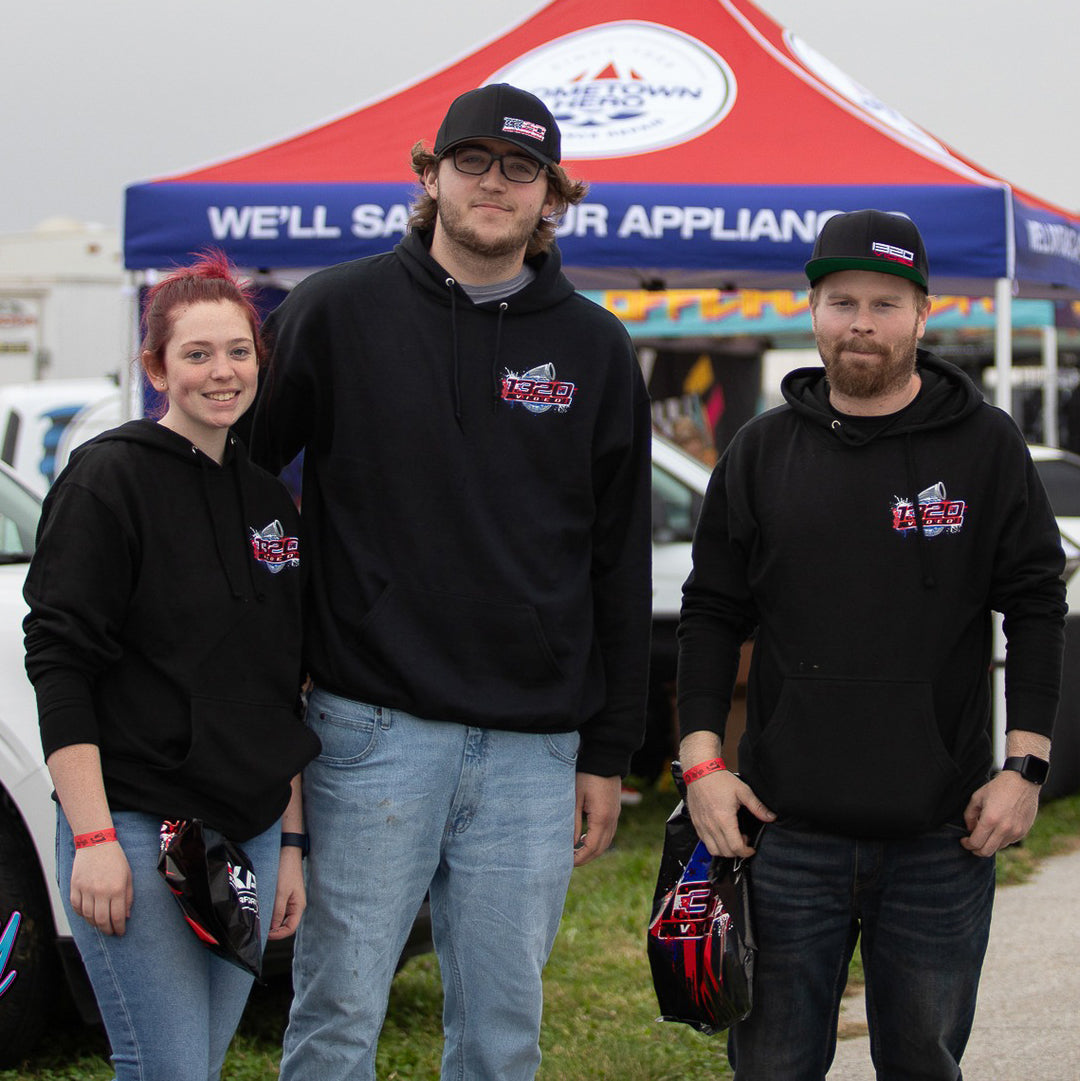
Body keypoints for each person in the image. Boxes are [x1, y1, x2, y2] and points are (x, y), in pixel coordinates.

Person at [244, 83, 652, 1081]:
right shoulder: (335, 311)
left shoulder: (595, 346)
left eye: (521, 169)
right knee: (339, 1004)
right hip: (371, 726)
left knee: (503, 1028)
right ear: (430, 175)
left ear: (551, 194)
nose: (494, 184)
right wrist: (274, 643)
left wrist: (608, 748)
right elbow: (242, 482)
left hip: (532, 746)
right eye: (472, 161)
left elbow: (618, 558)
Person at [676, 209, 1067, 1080]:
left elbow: (1037, 604)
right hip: (784, 835)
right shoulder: (759, 452)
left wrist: (1025, 767)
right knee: (772, 1065)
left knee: (923, 1063)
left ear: (923, 313)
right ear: (811, 309)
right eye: (842, 300)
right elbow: (710, 613)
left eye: (886, 302)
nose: (862, 322)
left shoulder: (985, 446)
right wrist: (702, 766)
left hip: (942, 835)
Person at [23, 252, 321, 1081]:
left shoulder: (268, 500)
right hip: (136, 825)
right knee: (170, 1068)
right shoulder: (107, 479)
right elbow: (59, 662)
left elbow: (281, 685)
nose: (221, 373)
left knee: (197, 1063)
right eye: (196, 354)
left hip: (249, 831)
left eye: (237, 351)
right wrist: (91, 837)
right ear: (155, 366)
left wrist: (290, 841)